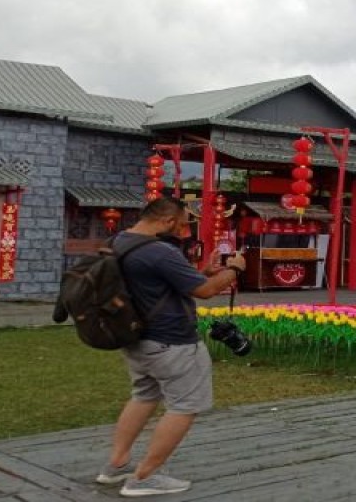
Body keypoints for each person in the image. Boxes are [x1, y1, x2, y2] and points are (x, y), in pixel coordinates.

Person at [96, 197, 248, 497]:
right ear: (166, 221)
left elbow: (164, 283)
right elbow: (206, 291)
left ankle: (116, 465)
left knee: (143, 396)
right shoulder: (160, 251)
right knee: (185, 406)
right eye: (181, 225)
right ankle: (144, 477)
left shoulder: (119, 242)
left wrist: (204, 270)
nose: (183, 231)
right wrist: (235, 269)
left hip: (137, 339)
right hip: (172, 342)